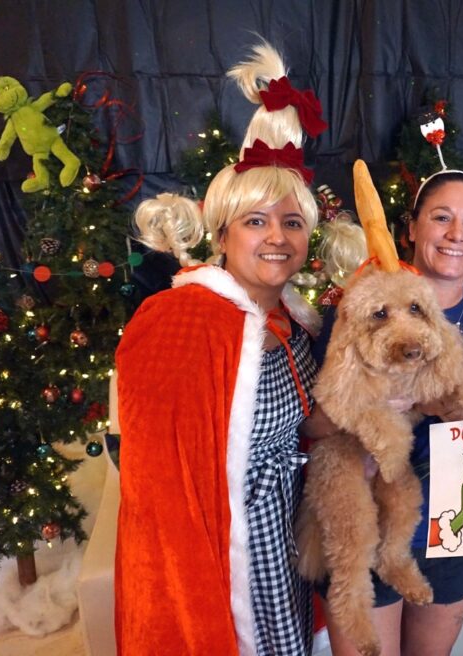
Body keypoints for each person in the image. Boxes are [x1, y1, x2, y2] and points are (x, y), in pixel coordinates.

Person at [114, 41, 328, 656]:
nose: (277, 238)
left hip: (285, 555)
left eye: (292, 222)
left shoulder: (290, 321)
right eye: (256, 221)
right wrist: (191, 602)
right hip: (223, 571)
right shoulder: (179, 322)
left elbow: (306, 424)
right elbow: (160, 498)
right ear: (223, 231)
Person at [310, 169, 463, 656]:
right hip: (368, 500)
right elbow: (313, 423)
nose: (455, 235)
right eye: (441, 218)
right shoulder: (359, 305)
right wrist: (383, 402)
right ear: (411, 227)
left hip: (460, 513)